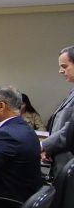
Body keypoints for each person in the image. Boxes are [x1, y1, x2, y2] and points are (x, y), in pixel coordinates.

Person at [42, 45, 74, 177]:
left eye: (64, 66)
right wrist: (50, 149)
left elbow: (70, 131)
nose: (60, 71)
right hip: (61, 161)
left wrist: (44, 145)